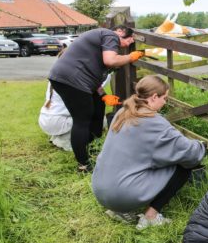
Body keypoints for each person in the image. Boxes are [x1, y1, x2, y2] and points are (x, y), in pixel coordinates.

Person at [92, 75, 206, 230]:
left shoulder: (122, 112)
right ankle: (151, 216)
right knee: (183, 165)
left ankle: (119, 211)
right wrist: (201, 145)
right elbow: (190, 154)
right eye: (164, 98)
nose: (165, 102)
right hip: (121, 194)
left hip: (100, 189)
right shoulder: (154, 122)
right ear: (153, 97)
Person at [48, 25, 144, 173]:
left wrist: (103, 95)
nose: (129, 43)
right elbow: (110, 61)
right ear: (120, 32)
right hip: (72, 80)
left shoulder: (98, 42)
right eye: (130, 39)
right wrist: (130, 57)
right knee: (82, 119)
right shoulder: (109, 35)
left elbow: (93, 76)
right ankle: (84, 164)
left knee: (98, 107)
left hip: (70, 78)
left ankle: (94, 147)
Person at [39, 73, 113, 151]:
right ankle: (63, 140)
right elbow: (96, 85)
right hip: (57, 120)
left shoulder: (60, 73)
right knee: (100, 122)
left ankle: (60, 135)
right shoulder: (79, 77)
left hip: (45, 118)